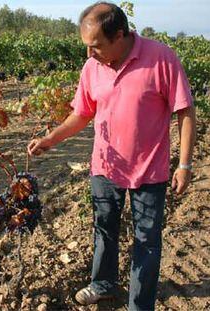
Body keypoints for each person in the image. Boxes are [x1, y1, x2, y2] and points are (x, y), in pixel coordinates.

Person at [27, 2, 196, 310]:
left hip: (149, 170)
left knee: (146, 241)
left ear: (120, 35)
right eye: (86, 47)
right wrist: (50, 139)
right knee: (104, 229)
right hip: (105, 165)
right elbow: (81, 114)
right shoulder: (92, 67)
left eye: (96, 46)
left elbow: (185, 112)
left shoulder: (161, 59)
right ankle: (103, 284)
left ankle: (139, 305)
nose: (89, 54)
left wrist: (184, 165)